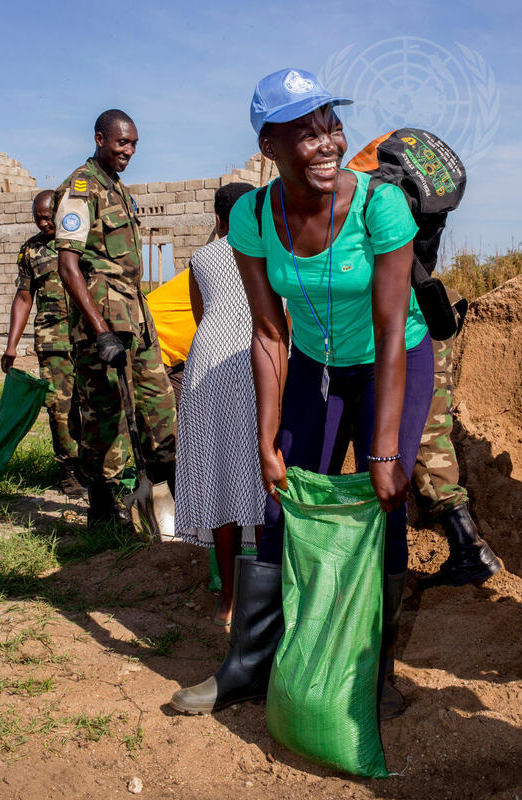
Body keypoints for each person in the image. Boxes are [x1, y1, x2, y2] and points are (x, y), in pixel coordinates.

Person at [171, 68, 434, 719]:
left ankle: (373, 672)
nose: (325, 143)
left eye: (330, 126)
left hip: (389, 361)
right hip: (314, 365)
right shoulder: (254, 215)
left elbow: (390, 328)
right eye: (304, 132)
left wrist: (380, 454)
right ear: (268, 147)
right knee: (278, 501)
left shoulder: (379, 206)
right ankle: (250, 665)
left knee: (385, 502)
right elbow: (266, 332)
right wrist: (265, 440)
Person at [53, 109, 176, 526]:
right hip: (101, 320)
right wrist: (100, 332)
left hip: (135, 315)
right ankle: (103, 505)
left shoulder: (117, 188)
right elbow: (68, 266)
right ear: (100, 138)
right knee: (104, 412)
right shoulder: (81, 187)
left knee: (159, 401)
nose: (129, 151)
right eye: (122, 142)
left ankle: (167, 490)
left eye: (134, 144)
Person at [174, 183, 266, 625]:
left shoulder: (200, 259)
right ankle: (268, 597)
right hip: (255, 362)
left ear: (217, 217)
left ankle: (226, 599)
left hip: (207, 365)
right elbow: (278, 318)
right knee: (265, 473)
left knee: (220, 476)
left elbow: (201, 315)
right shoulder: (270, 251)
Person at [412, 288, 501, 586]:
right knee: (428, 428)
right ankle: (469, 548)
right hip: (428, 311)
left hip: (418, 320)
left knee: (424, 432)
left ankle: (469, 549)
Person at [1, 190, 85, 498]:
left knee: (91, 405)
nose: (43, 221)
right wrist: (12, 345)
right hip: (53, 342)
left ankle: (96, 467)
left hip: (87, 337)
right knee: (60, 408)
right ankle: (68, 471)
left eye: (48, 216)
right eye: (38, 217)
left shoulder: (82, 242)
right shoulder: (31, 251)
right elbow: (24, 298)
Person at [146, 269, 197, 409]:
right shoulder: (220, 272)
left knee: (188, 412)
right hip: (151, 342)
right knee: (152, 416)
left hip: (177, 355)